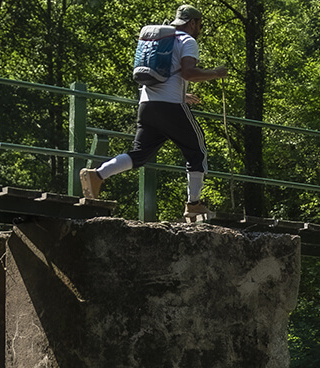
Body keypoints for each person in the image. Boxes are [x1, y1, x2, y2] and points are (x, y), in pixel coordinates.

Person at [78, 4, 228, 221]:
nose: (200, 29)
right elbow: (188, 72)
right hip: (170, 107)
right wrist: (215, 73)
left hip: (147, 105)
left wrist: (181, 94)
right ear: (192, 23)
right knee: (197, 151)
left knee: (139, 154)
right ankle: (193, 204)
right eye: (199, 24)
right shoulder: (187, 41)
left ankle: (98, 174)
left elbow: (160, 75)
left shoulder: (161, 40)